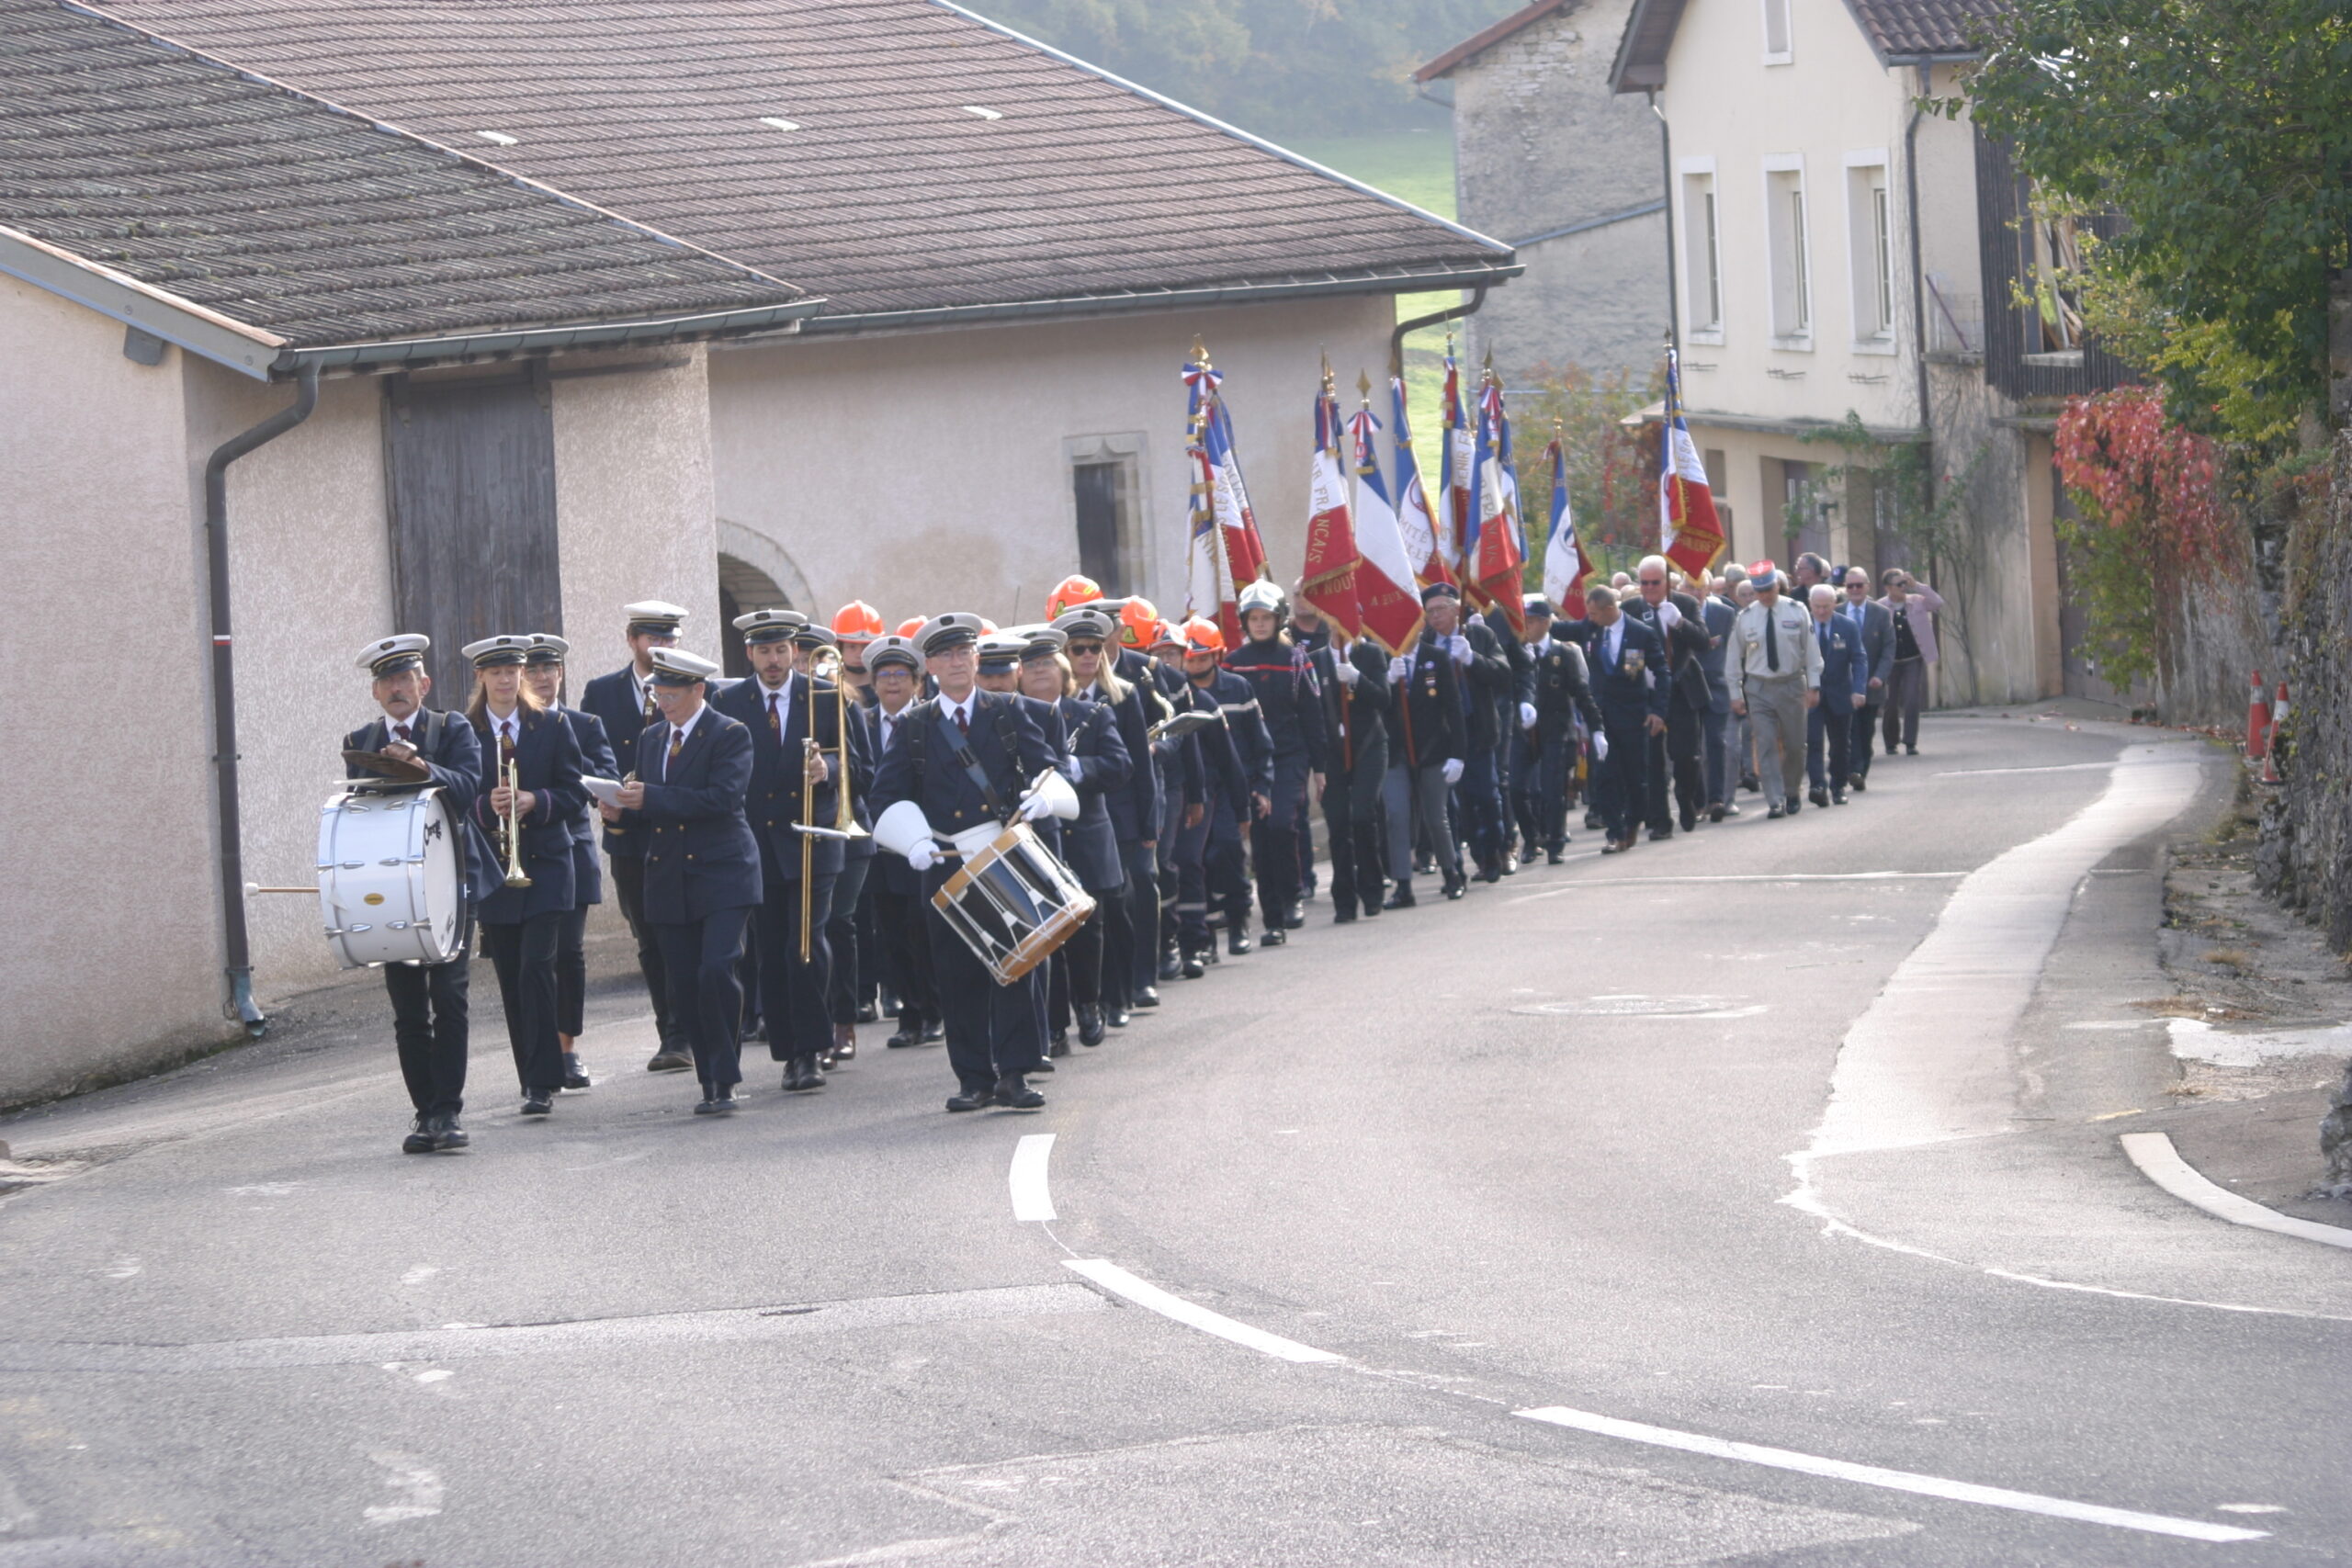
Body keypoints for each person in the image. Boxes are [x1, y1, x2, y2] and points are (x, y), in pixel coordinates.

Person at [870, 613, 1061, 1111]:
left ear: (977, 659)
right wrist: (909, 841)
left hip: (1003, 855)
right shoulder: (914, 726)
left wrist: (1043, 797)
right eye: (946, 655)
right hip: (945, 860)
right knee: (958, 975)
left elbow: (1047, 767)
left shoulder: (1009, 710)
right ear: (930, 665)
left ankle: (1015, 1074)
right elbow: (885, 794)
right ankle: (973, 1078)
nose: (957, 663)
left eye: (964, 653)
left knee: (1014, 965)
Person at [345, 635, 492, 1154]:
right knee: (408, 1008)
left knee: (448, 998)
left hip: (451, 883)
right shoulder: (360, 740)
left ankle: (449, 1111)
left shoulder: (450, 727)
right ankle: (424, 1111)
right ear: (375, 692)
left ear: (423, 685)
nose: (396, 688)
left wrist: (423, 768)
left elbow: (471, 785)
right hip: (391, 891)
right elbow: (357, 815)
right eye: (386, 680)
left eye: (404, 678)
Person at [709, 609, 855, 1095]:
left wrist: (828, 773)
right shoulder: (727, 700)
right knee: (771, 951)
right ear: (749, 653)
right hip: (758, 843)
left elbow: (863, 767)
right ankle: (790, 1051)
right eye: (763, 650)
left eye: (781, 650)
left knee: (806, 945)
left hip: (812, 841)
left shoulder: (824, 694)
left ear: (795, 650)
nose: (773, 660)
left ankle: (812, 1050)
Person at [609, 648, 761, 1113]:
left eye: (672, 693)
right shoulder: (652, 738)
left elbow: (721, 798)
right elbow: (650, 814)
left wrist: (648, 798)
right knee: (686, 982)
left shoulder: (729, 733)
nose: (663, 701)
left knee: (717, 970)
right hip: (670, 876)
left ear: (698, 690)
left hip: (723, 872)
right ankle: (709, 1079)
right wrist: (618, 813)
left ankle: (727, 1074)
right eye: (658, 692)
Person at [461, 634, 586, 1117]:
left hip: (549, 865)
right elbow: (453, 798)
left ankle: (542, 1082)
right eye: (497, 673)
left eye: (513, 671)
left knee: (538, 967)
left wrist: (537, 800)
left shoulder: (551, 725)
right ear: (481, 678)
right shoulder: (464, 730)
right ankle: (528, 1075)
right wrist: (483, 808)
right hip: (495, 869)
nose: (507, 680)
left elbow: (575, 792)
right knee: (512, 977)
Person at [577, 602, 695, 1074]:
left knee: (682, 935)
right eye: (652, 638)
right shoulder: (602, 692)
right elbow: (588, 757)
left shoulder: (693, 686)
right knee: (648, 938)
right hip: (628, 836)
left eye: (668, 639)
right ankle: (669, 1030)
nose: (660, 647)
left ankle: (686, 1033)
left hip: (680, 832)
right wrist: (603, 798)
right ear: (632, 639)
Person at [1021, 626, 1130, 1049]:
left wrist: (1077, 768)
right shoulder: (1013, 717)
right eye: (1030, 665)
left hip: (1085, 837)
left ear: (1063, 670)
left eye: (1046, 662)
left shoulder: (1091, 714)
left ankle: (1089, 1003)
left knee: (1088, 932)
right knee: (1047, 936)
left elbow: (1121, 766)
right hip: (1039, 841)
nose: (1039, 671)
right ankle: (1052, 1025)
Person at [1057, 605, 1158, 1025]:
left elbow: (1139, 763)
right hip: (1071, 821)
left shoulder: (1123, 695)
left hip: (1119, 818)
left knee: (1118, 907)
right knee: (1085, 915)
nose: (1087, 656)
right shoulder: (1047, 700)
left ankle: (1123, 994)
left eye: (1094, 648)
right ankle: (1091, 998)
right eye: (1078, 649)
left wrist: (1150, 822)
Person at [521, 634, 613, 1092]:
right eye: (533, 670)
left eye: (549, 668)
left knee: (568, 951)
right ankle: (534, 1055)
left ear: (561, 673)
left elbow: (607, 776)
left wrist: (578, 780)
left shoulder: (583, 723)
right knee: (530, 958)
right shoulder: (512, 726)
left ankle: (566, 1047)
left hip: (570, 845)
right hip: (521, 850)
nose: (542, 678)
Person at [1223, 581, 1326, 941]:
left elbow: (1313, 716)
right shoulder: (1233, 664)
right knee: (1262, 837)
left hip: (1288, 757)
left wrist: (1320, 768)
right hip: (1249, 763)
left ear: (1279, 618)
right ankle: (1272, 914)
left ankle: (1293, 894)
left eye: (1267, 617)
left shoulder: (1296, 659)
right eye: (1254, 618)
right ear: (1245, 622)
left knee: (1283, 824)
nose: (1261, 624)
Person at [863, 636, 943, 1048]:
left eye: (900, 675)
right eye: (884, 676)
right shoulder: (858, 721)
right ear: (873, 683)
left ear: (916, 682)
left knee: (922, 928)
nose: (892, 683)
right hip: (878, 845)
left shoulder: (929, 721)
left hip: (920, 840)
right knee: (890, 932)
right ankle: (909, 1014)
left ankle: (932, 1011)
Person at [1297, 599, 1394, 919]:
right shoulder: (1314, 661)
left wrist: (1356, 679)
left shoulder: (1371, 654)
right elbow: (1309, 713)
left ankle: (1372, 888)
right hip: (1332, 753)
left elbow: (1384, 698)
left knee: (1363, 815)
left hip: (1369, 745)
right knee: (1338, 823)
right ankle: (1344, 898)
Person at [1383, 584, 1469, 904]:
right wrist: (1388, 683)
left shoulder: (1436, 658)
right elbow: (1376, 706)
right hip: (1397, 753)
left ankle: (1452, 872)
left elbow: (1454, 709)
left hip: (1433, 750)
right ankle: (1403, 883)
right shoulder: (1386, 659)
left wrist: (1458, 755)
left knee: (1436, 816)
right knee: (1397, 815)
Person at [1623, 555, 1713, 838]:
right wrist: (1635, 674)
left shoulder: (1684, 604)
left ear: (1667, 583)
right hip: (1647, 693)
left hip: (1681, 689)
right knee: (1653, 761)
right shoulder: (1629, 609)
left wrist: (1680, 623)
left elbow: (1703, 642)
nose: (1649, 588)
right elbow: (1626, 649)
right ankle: (1660, 821)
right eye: (1644, 583)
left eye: (1655, 583)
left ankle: (1686, 798)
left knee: (1686, 756)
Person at [1726, 564, 1823, 819]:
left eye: (1768, 590)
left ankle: (1792, 790)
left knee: (1794, 744)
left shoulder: (1796, 610)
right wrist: (1735, 693)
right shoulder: (1746, 617)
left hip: (1791, 684)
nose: (1764, 596)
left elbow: (1811, 651)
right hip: (1758, 687)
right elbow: (1733, 658)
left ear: (1777, 586)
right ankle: (1775, 799)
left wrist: (1813, 685)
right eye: (1759, 591)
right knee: (1766, 743)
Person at [1521, 596, 1603, 862]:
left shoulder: (1563, 653)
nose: (1527, 627)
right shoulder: (1516, 652)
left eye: (1532, 622)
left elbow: (1582, 693)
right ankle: (1531, 838)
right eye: (1524, 621)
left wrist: (1596, 728)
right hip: (1524, 732)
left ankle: (1555, 843)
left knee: (1552, 789)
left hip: (1556, 730)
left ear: (1546, 623)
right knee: (1517, 789)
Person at [1577, 582, 1654, 853]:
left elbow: (1661, 673)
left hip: (1633, 717)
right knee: (1605, 776)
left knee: (1635, 777)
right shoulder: (1591, 630)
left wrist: (1657, 711)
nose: (1591, 618)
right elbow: (1561, 629)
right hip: (1602, 718)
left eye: (1595, 613)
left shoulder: (1640, 633)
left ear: (1610, 609)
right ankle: (1614, 831)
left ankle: (1632, 822)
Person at [1804, 585, 1869, 807]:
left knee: (1840, 743)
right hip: (1810, 693)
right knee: (1812, 741)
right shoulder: (1802, 625)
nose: (1822, 611)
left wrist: (1859, 689)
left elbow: (1859, 658)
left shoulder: (1847, 626)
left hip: (1840, 692)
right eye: (1817, 607)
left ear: (1834, 604)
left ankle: (1838, 786)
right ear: (1810, 605)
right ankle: (1817, 786)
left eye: (1826, 606)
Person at [1838, 568, 1895, 790]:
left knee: (1865, 729)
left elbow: (1888, 649)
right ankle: (1854, 770)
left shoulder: (1880, 614)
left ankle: (1861, 768)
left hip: (1871, 684)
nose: (1854, 590)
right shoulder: (1838, 612)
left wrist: (1880, 676)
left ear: (1867, 587)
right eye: (1850, 586)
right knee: (1849, 730)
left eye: (1858, 585)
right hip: (1845, 684)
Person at [1877, 569, 1944, 757]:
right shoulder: (1880, 607)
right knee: (1890, 702)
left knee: (1912, 699)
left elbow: (1937, 602)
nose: (1903, 588)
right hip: (1890, 661)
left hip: (1913, 659)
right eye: (1899, 584)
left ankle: (1910, 742)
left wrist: (1917, 586)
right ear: (1888, 587)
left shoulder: (1916, 601)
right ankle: (1891, 742)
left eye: (1904, 584)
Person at [1700, 569, 1742, 821]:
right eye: (1688, 587)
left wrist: (1737, 689)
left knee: (1722, 745)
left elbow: (1735, 653)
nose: (1694, 592)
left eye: (1698, 587)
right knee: (1695, 750)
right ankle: (1700, 800)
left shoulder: (1724, 613)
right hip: (1688, 690)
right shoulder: (1676, 612)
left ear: (1707, 589)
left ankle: (1723, 799)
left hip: (1719, 687)